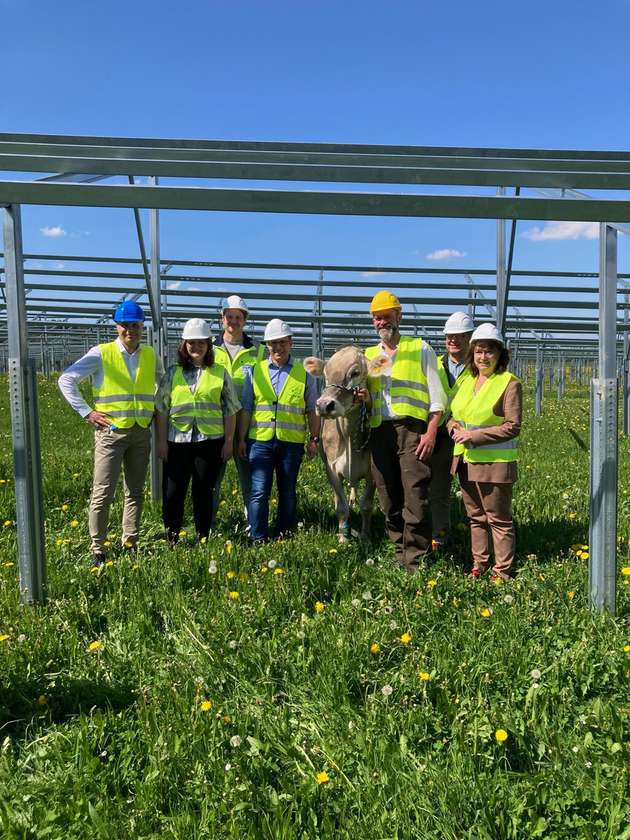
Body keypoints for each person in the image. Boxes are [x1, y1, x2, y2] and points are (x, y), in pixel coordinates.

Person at [58, 301, 161, 565]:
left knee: (135, 492)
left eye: (136, 325)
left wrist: (154, 407)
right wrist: (87, 412)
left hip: (140, 432)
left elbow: (163, 382)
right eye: (125, 325)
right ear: (117, 327)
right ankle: (98, 547)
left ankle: (131, 542)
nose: (131, 331)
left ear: (142, 327)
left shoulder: (150, 354)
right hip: (111, 433)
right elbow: (66, 379)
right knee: (103, 492)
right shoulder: (101, 353)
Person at [365, 291, 447, 572]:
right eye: (377, 318)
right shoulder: (369, 356)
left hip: (412, 429)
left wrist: (431, 431)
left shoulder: (420, 348)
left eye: (387, 316)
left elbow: (438, 397)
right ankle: (399, 552)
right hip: (380, 430)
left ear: (399, 317)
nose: (381, 322)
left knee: (415, 494)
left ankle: (416, 560)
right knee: (387, 495)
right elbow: (369, 398)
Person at [447, 323, 522, 580]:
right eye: (479, 351)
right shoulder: (467, 381)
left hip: (495, 463)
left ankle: (502, 571)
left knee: (498, 520)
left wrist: (473, 436)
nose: (483, 357)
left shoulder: (508, 383)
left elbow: (513, 427)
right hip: (465, 460)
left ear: (500, 354)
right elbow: (454, 415)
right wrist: (453, 425)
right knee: (476, 517)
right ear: (472, 354)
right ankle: (480, 565)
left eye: (489, 351)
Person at [155, 319, 240, 544]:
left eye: (201, 343)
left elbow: (230, 410)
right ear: (184, 345)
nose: (196, 347)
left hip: (210, 443)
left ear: (208, 346)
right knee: (173, 493)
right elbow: (162, 409)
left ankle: (202, 537)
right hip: (177, 442)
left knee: (203, 492)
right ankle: (172, 536)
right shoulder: (172, 373)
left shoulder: (220, 373)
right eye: (191, 343)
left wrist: (229, 442)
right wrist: (162, 441)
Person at [237, 318, 321, 542]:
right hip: (260, 441)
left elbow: (312, 410)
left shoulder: (304, 375)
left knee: (288, 492)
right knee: (258, 492)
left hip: (291, 443)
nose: (278, 348)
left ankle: (283, 534)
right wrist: (242, 439)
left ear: (290, 343)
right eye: (273, 343)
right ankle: (258, 537)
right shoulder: (255, 372)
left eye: (282, 342)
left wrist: (314, 439)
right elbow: (246, 408)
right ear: (267, 346)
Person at [210, 295, 264, 528]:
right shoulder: (209, 348)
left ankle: (252, 525)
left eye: (238, 317)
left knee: (249, 480)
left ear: (245, 320)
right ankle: (208, 526)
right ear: (222, 319)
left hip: (246, 425)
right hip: (214, 424)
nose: (233, 321)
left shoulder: (257, 351)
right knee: (212, 480)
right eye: (229, 316)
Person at [428, 311, 474, 546]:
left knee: (473, 491)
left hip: (468, 436)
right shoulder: (434, 365)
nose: (453, 341)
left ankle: (476, 537)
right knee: (438, 488)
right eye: (449, 337)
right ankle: (439, 535)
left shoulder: (479, 368)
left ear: (469, 338)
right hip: (439, 434)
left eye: (459, 336)